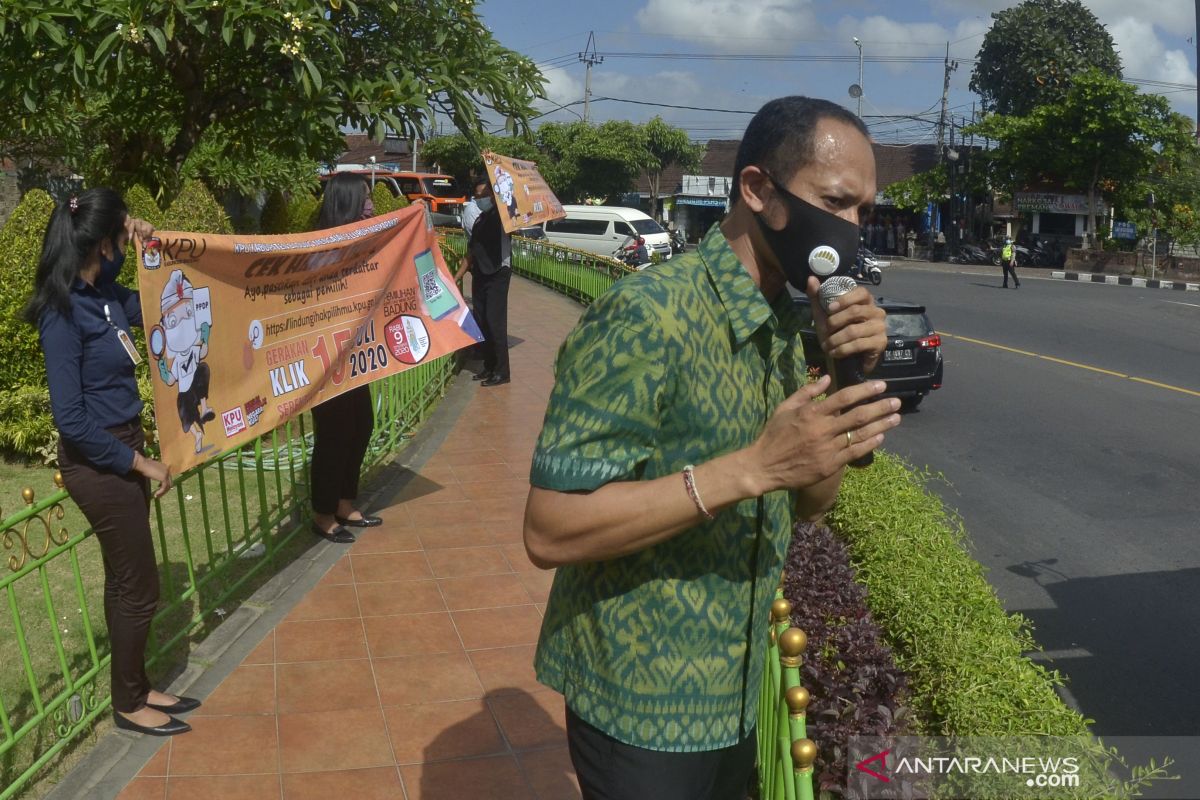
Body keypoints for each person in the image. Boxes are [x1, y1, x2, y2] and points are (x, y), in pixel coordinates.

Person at [523, 96, 901, 800]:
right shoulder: (647, 314)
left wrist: (845, 384)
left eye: (863, 212)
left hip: (738, 691)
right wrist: (749, 468)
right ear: (758, 190)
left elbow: (811, 503)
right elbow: (550, 527)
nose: (851, 230)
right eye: (835, 202)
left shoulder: (788, 326)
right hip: (639, 703)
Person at [25, 188, 199, 737]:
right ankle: (127, 703)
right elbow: (70, 420)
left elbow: (146, 298)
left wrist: (143, 240)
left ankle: (137, 684)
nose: (127, 238)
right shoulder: (62, 314)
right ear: (100, 241)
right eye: (120, 232)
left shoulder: (104, 293)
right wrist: (139, 463)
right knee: (141, 586)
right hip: (99, 463)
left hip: (122, 448)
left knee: (124, 582)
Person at [308, 173, 382, 544]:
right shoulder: (318, 250)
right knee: (334, 435)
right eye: (365, 198)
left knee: (361, 425)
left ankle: (344, 501)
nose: (370, 205)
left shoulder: (363, 242)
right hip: (327, 360)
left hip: (358, 356)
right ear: (346, 203)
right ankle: (322, 512)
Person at [458, 177, 512, 387]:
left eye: (485, 195)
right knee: (482, 321)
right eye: (478, 196)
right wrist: (458, 276)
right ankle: (489, 366)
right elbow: (471, 251)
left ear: (493, 195)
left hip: (498, 273)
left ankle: (502, 371)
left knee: (495, 322)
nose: (481, 199)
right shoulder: (480, 220)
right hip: (480, 273)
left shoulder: (503, 217)